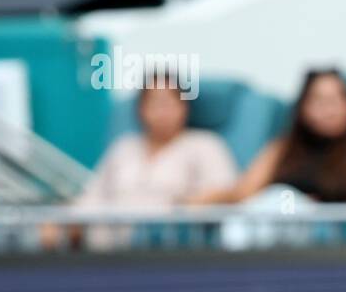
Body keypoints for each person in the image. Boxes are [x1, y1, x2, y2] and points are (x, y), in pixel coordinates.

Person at [41, 72, 237, 250]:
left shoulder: (204, 145)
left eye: (169, 103)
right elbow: (92, 198)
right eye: (154, 103)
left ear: (184, 107)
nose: (162, 112)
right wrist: (62, 222)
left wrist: (180, 210)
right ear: (141, 109)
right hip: (103, 254)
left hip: (167, 250)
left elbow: (225, 192)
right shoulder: (123, 147)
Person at [187, 68, 346, 207]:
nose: (329, 110)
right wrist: (206, 199)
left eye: (337, 100)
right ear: (302, 107)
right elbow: (242, 193)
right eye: (319, 101)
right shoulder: (282, 148)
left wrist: (331, 210)